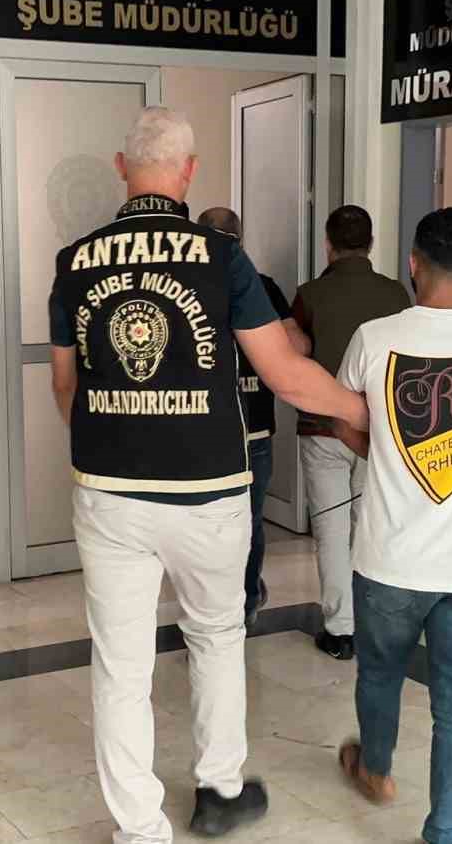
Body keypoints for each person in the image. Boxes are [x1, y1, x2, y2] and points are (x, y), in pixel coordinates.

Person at [48, 107, 369, 844]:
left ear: (122, 167)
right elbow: (284, 373)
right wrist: (366, 410)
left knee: (121, 663)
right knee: (216, 636)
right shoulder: (220, 258)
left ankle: (140, 829)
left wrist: (113, 439)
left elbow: (65, 387)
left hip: (109, 491)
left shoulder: (74, 261)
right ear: (189, 171)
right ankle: (220, 790)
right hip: (208, 491)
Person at [330, 207, 452, 844]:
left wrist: (385, 455)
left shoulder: (374, 338)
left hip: (389, 557)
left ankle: (376, 769)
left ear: (412, 263)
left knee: (380, 675)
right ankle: (443, 832)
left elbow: (342, 420)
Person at [289, 205, 411, 659]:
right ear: (371, 244)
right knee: (371, 526)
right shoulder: (396, 294)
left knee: (331, 528)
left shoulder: (309, 295)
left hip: (322, 429)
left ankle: (340, 629)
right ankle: (372, 619)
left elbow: (293, 355)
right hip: (376, 430)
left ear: (328, 244)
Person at [193, 207, 309, 627]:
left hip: (201, 429)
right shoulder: (260, 286)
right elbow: (299, 347)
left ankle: (212, 610)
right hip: (252, 428)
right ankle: (243, 604)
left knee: (202, 527)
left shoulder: (187, 289)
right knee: (250, 522)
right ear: (240, 242)